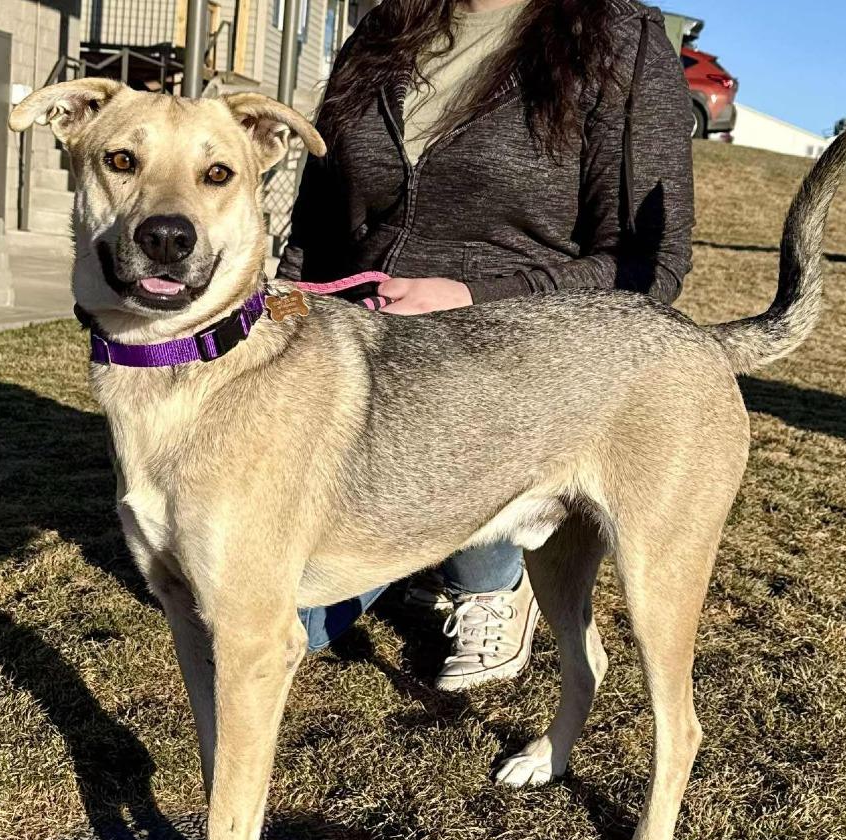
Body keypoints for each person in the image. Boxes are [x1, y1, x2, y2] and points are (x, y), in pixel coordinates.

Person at [279, 0, 694, 690]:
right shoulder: (385, 25)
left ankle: (496, 577)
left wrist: (472, 298)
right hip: (359, 366)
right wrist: (279, 316)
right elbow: (316, 230)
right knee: (268, 621)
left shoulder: (622, 38)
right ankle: (420, 554)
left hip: (507, 376)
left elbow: (651, 264)